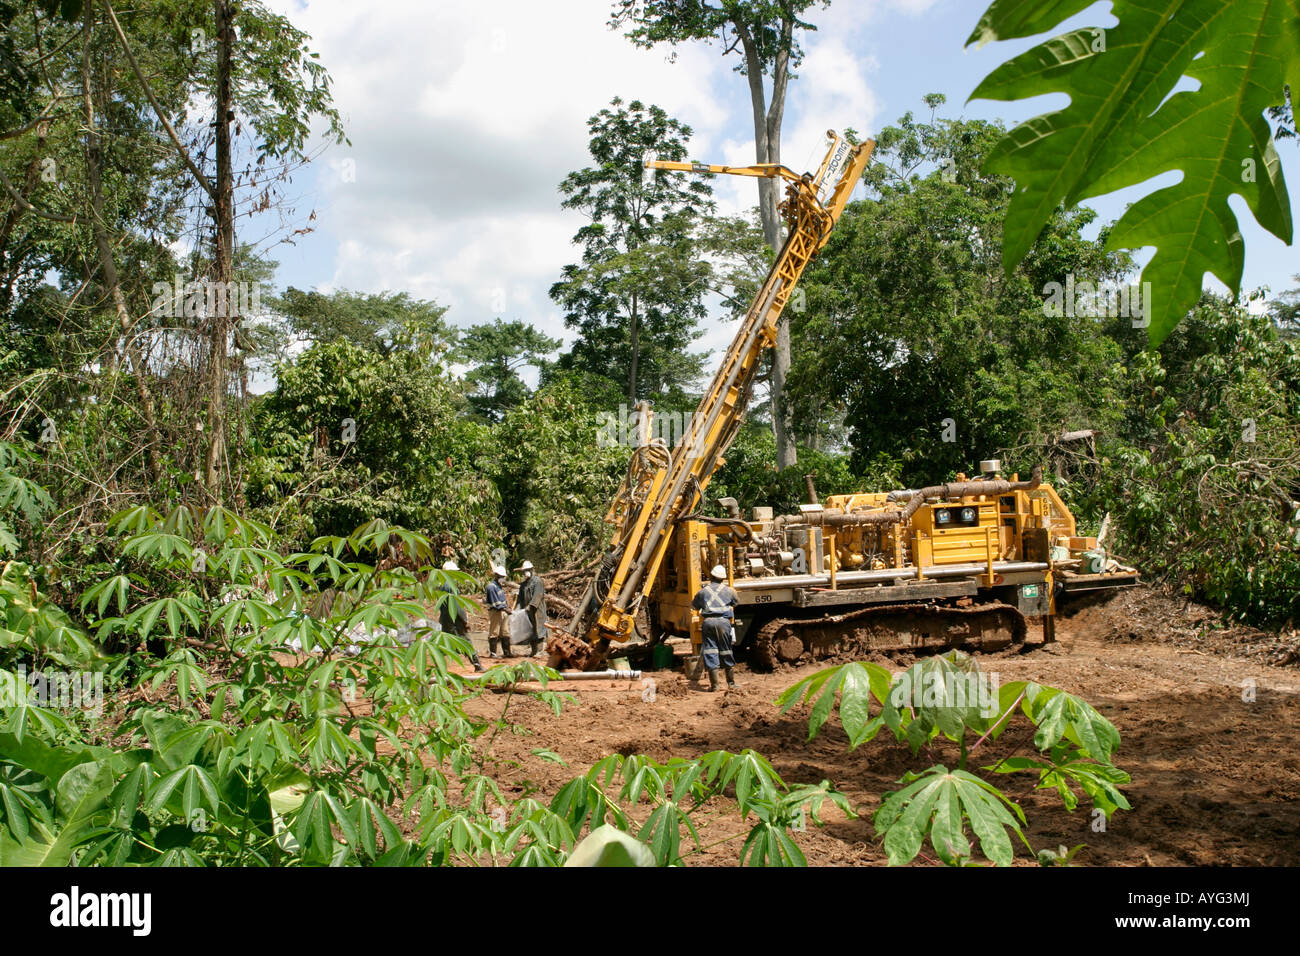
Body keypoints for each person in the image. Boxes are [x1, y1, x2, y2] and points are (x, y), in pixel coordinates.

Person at [692, 565, 738, 692]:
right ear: (723, 578)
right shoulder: (730, 591)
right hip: (724, 622)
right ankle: (731, 683)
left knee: (710, 651)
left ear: (711, 576)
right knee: (726, 650)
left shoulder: (703, 592)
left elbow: (694, 606)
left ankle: (715, 685)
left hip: (708, 623)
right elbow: (735, 602)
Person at [438, 559, 484, 672]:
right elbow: (456, 606)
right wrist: (464, 619)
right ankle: (477, 665)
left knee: (445, 644)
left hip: (445, 620)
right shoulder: (451, 586)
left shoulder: (441, 586)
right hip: (455, 620)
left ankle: (437, 666)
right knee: (465, 641)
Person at [516, 560, 547, 657]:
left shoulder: (538, 582)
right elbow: (520, 598)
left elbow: (538, 595)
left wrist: (530, 606)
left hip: (537, 610)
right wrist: (518, 609)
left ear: (532, 570)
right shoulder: (523, 585)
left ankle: (539, 651)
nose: (526, 572)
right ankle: (533, 651)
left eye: (527, 570)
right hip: (527, 611)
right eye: (524, 570)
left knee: (539, 628)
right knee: (530, 629)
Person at [485, 565, 512, 659]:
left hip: (503, 611)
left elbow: (502, 601)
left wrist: (506, 608)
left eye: (503, 577)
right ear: (496, 576)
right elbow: (495, 603)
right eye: (501, 577)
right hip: (495, 612)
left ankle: (507, 652)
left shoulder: (499, 586)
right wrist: (506, 609)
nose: (502, 579)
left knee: (505, 632)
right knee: (494, 632)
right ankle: (493, 653)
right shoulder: (491, 587)